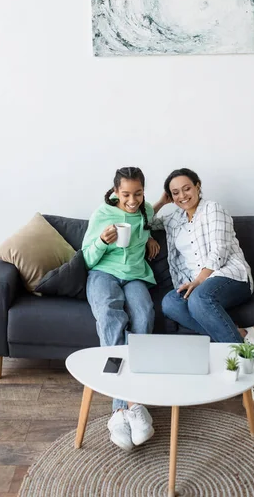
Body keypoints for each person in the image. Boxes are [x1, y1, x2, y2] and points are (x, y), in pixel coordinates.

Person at [153, 168, 254, 406]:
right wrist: (162, 202)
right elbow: (145, 221)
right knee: (169, 303)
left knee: (199, 299)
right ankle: (242, 335)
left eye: (187, 188)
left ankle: (248, 368)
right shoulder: (173, 219)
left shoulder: (214, 209)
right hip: (196, 283)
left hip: (230, 276)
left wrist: (198, 281)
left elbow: (220, 251)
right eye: (175, 192)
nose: (182, 196)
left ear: (197, 186)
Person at [82, 166, 160, 451]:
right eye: (126, 194)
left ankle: (130, 405)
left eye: (138, 193)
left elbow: (148, 222)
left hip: (136, 275)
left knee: (144, 315)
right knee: (111, 317)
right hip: (103, 273)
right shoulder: (102, 214)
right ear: (115, 191)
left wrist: (150, 238)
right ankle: (121, 408)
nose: (132, 200)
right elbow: (87, 258)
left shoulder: (146, 210)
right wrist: (103, 241)